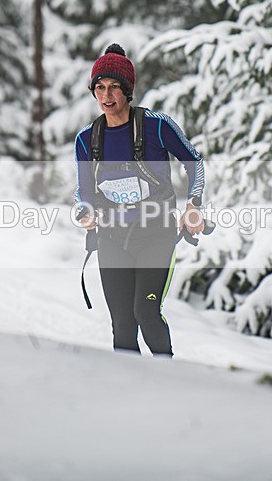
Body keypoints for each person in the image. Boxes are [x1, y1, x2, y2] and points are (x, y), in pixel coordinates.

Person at [74, 43, 206, 357]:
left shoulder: (157, 127)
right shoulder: (87, 140)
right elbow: (84, 192)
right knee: (122, 325)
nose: (107, 96)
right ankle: (130, 393)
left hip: (156, 236)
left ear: (128, 91)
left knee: (145, 314)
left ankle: (166, 378)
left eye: (115, 88)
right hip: (112, 238)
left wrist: (194, 205)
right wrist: (84, 212)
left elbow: (194, 162)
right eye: (100, 88)